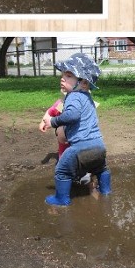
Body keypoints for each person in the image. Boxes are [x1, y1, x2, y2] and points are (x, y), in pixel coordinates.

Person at [40, 53, 110, 205]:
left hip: (81, 148)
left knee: (61, 170)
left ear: (83, 83)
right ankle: (106, 192)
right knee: (101, 169)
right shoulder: (87, 98)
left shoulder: (73, 96)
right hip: (99, 146)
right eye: (63, 74)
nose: (62, 78)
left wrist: (53, 121)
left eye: (69, 75)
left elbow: (72, 115)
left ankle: (61, 199)